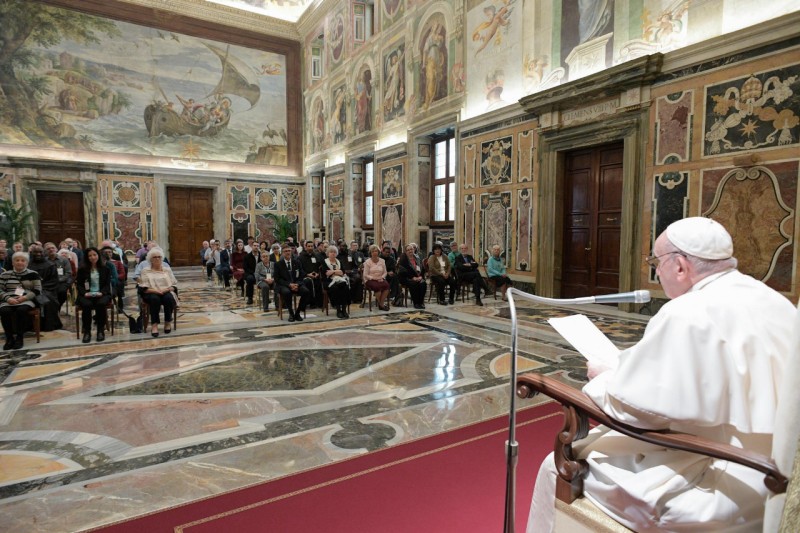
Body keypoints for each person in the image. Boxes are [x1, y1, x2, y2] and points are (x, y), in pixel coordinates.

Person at [526, 217, 796, 533]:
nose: (656, 272)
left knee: (554, 466)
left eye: (656, 263)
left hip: (719, 478)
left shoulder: (687, 312)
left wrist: (603, 379)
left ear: (680, 266)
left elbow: (637, 410)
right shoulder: (773, 299)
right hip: (776, 469)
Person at [0, 252, 42, 350]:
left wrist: (24, 298)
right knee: (4, 311)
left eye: (23, 260)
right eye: (17, 260)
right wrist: (8, 298)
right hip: (9, 300)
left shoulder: (33, 274)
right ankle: (9, 338)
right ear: (12, 262)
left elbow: (37, 290)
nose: (20, 262)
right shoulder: (5, 274)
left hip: (26, 299)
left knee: (21, 310)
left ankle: (19, 338)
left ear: (27, 263)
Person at [138, 248, 178, 338]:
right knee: (154, 299)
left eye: (159, 257)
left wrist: (166, 290)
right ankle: (154, 324)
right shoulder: (145, 271)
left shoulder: (167, 270)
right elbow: (144, 287)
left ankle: (167, 322)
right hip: (151, 291)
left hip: (166, 290)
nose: (157, 259)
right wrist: (156, 291)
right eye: (154, 257)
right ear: (150, 259)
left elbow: (174, 284)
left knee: (168, 298)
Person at [75, 247, 112, 343]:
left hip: (101, 294)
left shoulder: (105, 269)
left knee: (101, 304)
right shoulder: (82, 269)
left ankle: (100, 330)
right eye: (90, 256)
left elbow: (107, 285)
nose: (92, 257)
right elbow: (79, 285)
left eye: (94, 255)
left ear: (98, 255)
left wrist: (102, 292)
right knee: (87, 305)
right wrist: (85, 293)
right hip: (86, 294)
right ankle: (87, 332)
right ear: (87, 257)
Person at [27, 245, 63, 331]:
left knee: (49, 301)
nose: (38, 254)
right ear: (32, 253)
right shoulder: (27, 265)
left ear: (44, 253)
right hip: (30, 289)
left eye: (40, 252)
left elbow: (54, 281)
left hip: (47, 289)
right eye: (36, 252)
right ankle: (30, 326)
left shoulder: (50, 265)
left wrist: (41, 288)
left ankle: (48, 325)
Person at [274, 245, 310, 322]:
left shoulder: (297, 262)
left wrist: (297, 284)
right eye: (285, 251)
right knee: (287, 292)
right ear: (282, 253)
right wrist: (289, 284)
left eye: (289, 251)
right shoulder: (278, 264)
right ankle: (291, 313)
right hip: (284, 285)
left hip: (296, 283)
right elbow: (277, 279)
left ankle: (298, 312)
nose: (288, 252)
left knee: (306, 291)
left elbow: (301, 275)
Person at [320, 245, 351, 319]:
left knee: (345, 287)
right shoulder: (324, 262)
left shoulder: (339, 261)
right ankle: (338, 310)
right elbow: (326, 274)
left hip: (340, 280)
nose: (333, 253)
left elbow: (342, 272)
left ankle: (344, 309)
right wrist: (337, 272)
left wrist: (333, 272)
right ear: (328, 253)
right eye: (331, 252)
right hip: (328, 281)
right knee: (335, 288)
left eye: (334, 252)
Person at [45, 242, 73, 312]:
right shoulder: (44, 261)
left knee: (62, 292)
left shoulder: (64, 260)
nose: (51, 250)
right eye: (48, 249)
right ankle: (53, 310)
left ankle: (57, 308)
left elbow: (68, 273)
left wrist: (59, 280)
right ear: (45, 251)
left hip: (62, 282)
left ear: (56, 249)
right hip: (48, 283)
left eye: (52, 248)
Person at [398, 244, 426, 309]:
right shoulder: (403, 259)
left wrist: (421, 276)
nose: (410, 251)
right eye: (408, 250)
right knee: (414, 284)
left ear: (414, 250)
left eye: (411, 249)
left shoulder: (417, 258)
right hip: (405, 277)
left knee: (423, 283)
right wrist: (413, 278)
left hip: (417, 276)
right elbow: (404, 272)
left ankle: (421, 302)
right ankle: (416, 303)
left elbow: (422, 268)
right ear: (405, 252)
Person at [363, 244, 390, 311]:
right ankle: (382, 305)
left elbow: (385, 272)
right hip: (370, 279)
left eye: (376, 251)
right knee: (377, 287)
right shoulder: (367, 262)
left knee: (387, 286)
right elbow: (365, 275)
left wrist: (382, 278)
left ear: (378, 252)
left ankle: (381, 304)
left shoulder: (382, 261)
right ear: (370, 253)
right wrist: (373, 278)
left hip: (380, 278)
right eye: (373, 251)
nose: (374, 253)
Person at [299, 240, 323, 308]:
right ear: (305, 247)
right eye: (308, 246)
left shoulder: (316, 256)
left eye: (311, 246)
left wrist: (317, 273)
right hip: (305, 276)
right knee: (309, 282)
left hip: (315, 275)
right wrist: (307, 274)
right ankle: (311, 302)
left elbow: (320, 266)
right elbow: (300, 269)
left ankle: (319, 303)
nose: (310, 248)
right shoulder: (301, 257)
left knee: (319, 282)